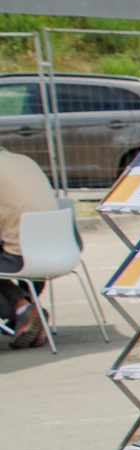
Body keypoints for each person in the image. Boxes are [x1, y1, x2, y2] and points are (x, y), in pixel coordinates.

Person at [0, 147, 59, 349]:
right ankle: (24, 311)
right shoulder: (24, 160)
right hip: (58, 249)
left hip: (22, 254)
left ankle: (21, 309)